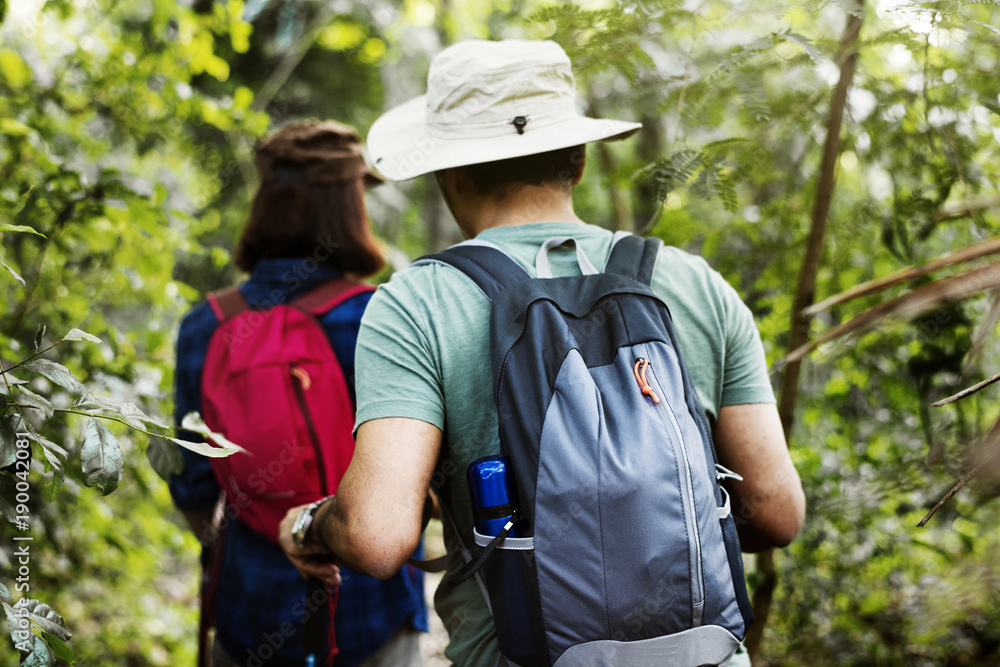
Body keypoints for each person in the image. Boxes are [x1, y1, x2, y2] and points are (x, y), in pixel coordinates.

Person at [278, 40, 806, 666]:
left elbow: (375, 535)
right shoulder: (695, 285)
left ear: (448, 171)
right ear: (579, 159)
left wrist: (310, 527)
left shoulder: (417, 302)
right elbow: (775, 515)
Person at [169, 120, 428, 667]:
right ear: (348, 206)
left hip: (248, 611)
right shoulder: (378, 315)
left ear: (265, 202)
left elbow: (192, 483)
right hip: (369, 607)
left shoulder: (205, 325)